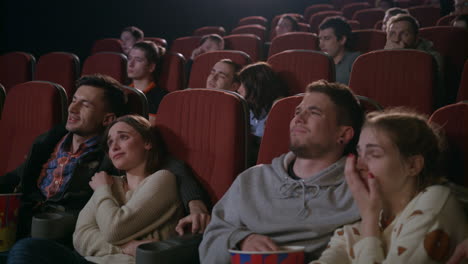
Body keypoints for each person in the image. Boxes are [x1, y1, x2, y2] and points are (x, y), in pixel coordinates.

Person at [0, 74, 210, 240]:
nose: (72, 108)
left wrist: (195, 203)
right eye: (74, 100)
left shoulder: (115, 152)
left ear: (107, 118)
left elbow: (173, 167)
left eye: (85, 104)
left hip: (61, 231)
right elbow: (17, 175)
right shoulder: (50, 140)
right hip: (19, 223)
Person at [199, 80, 364, 263]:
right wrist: (242, 240)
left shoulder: (358, 190)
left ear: (343, 134)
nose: (299, 119)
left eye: (314, 112)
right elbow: (210, 240)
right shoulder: (252, 179)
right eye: (298, 112)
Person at [8, 115, 185, 264]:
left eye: (123, 137)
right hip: (89, 261)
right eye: (110, 142)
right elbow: (81, 236)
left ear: (147, 142)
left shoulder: (162, 179)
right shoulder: (109, 182)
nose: (114, 147)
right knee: (26, 248)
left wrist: (102, 191)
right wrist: (126, 247)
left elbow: (115, 229)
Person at [310, 108, 468, 264]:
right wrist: (370, 220)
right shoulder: (358, 228)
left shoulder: (435, 201)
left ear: (412, 165)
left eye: (374, 154)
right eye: (359, 153)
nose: (359, 165)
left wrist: (369, 220)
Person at [384, 14, 444, 105]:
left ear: (416, 38)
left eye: (405, 34)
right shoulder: (379, 58)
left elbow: (426, 91)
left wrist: (401, 57)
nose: (397, 39)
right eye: (392, 34)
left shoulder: (433, 58)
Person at [237, 62, 288, 139]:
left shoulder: (278, 106)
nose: (238, 89)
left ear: (256, 85)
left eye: (243, 84)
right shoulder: (251, 106)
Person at [127, 41, 168, 121]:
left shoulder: (161, 97)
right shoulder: (121, 91)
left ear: (151, 67)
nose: (130, 64)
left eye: (138, 60)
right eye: (129, 58)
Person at [319, 16, 361, 85]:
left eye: (327, 38)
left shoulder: (356, 61)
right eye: (320, 39)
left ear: (342, 40)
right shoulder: (320, 62)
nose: (321, 45)